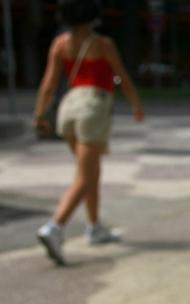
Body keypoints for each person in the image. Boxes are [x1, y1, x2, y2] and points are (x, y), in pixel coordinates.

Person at [33, 0, 143, 265]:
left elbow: (49, 84)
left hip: (68, 109)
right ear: (93, 17)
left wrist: (39, 115)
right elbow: (123, 78)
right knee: (85, 176)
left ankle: (94, 227)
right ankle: (55, 227)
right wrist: (136, 105)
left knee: (90, 172)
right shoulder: (103, 44)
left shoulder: (60, 44)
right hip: (92, 108)